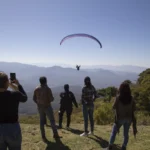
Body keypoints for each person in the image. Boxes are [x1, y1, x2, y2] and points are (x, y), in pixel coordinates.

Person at [0, 72, 27, 150]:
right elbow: (24, 98)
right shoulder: (15, 95)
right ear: (7, 83)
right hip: (13, 129)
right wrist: (18, 85)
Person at [107, 82, 136, 150]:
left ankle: (110, 146)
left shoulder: (118, 97)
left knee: (114, 132)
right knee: (126, 135)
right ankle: (124, 147)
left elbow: (113, 107)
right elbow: (134, 109)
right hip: (129, 119)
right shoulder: (132, 98)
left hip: (120, 118)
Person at [33, 76, 61, 142]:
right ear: (46, 81)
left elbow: (34, 98)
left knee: (41, 121)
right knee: (52, 121)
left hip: (40, 107)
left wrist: (38, 103)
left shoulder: (36, 89)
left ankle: (43, 136)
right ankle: (55, 135)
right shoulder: (48, 89)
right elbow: (51, 99)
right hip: (47, 107)